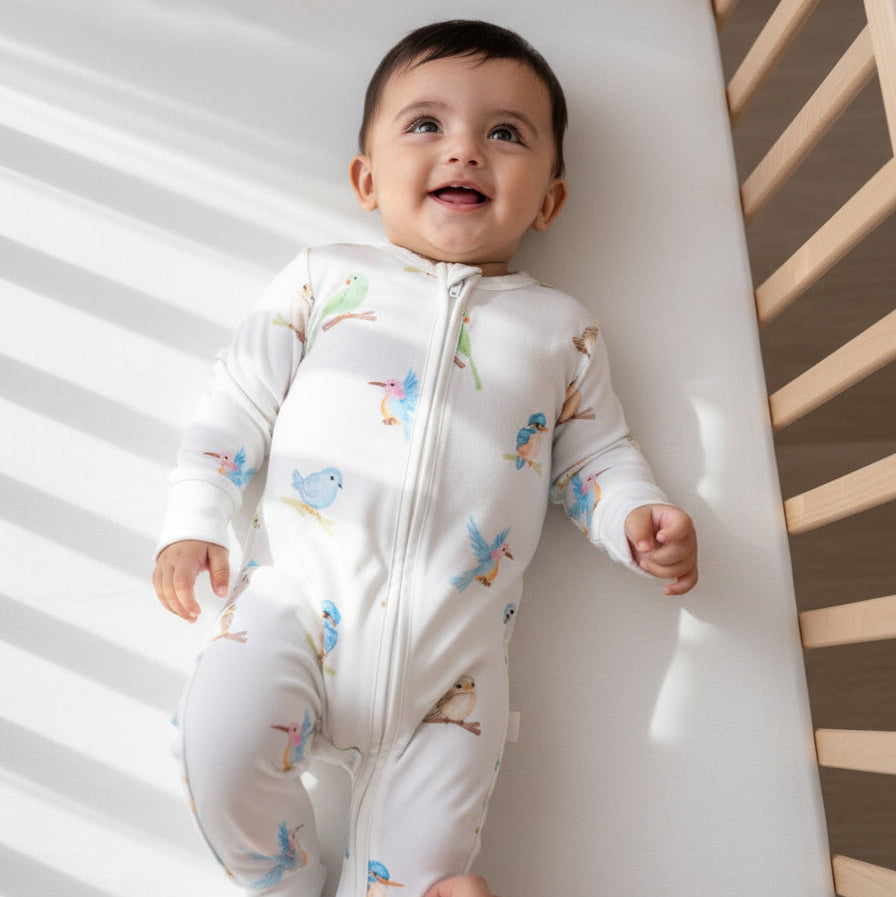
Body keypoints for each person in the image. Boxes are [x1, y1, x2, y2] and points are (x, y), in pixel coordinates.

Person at [153, 19, 697, 897]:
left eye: (506, 134)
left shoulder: (561, 328)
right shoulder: (324, 280)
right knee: (214, 742)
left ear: (549, 200)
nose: (466, 152)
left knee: (437, 871)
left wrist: (636, 514)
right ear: (367, 180)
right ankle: (280, 874)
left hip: (453, 677)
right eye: (426, 125)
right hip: (296, 605)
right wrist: (194, 520)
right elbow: (236, 404)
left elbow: (593, 454)